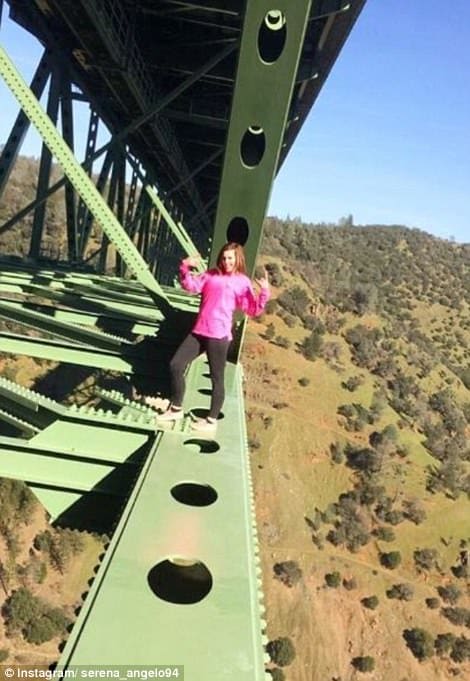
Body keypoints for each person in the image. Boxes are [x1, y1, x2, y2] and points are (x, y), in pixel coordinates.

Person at [157, 241, 270, 432]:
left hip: (219, 336)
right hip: (199, 331)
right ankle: (176, 408)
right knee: (175, 364)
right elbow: (191, 286)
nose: (227, 261)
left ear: (238, 259)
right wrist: (185, 268)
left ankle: (211, 420)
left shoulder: (242, 282)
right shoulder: (211, 274)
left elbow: (251, 309)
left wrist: (264, 292)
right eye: (224, 258)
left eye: (231, 258)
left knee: (217, 379)